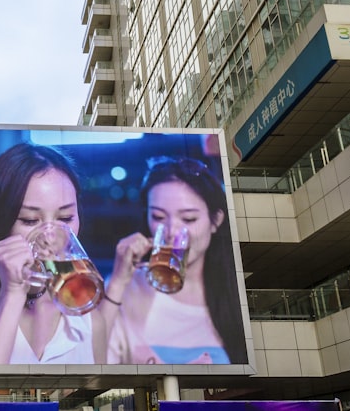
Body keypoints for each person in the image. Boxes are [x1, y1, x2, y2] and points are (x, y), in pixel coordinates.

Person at [0, 142, 131, 364]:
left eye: (65, 218)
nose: (50, 236)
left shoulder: (89, 322)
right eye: (30, 220)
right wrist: (12, 293)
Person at [106, 156, 248, 364]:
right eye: (158, 217)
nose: (172, 231)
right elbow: (93, 365)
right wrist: (117, 284)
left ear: (216, 220)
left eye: (189, 219)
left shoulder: (234, 290)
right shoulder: (126, 286)